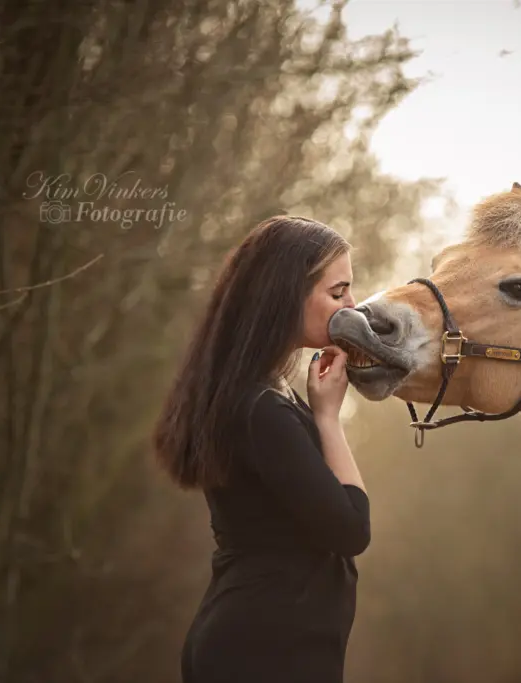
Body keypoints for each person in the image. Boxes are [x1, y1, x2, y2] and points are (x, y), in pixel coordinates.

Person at [152, 215, 369, 683]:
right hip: (262, 653)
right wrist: (328, 419)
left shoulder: (263, 398)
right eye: (338, 292)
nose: (353, 305)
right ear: (287, 295)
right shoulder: (259, 411)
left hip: (257, 644)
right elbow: (352, 529)